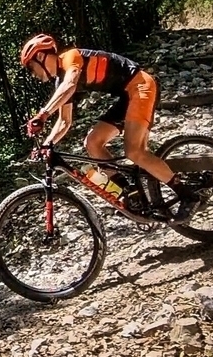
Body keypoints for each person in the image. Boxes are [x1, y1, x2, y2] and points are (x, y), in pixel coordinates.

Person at [19, 33, 199, 222]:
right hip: (127, 96)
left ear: (40, 56)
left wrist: (42, 115)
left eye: (31, 68)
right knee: (93, 142)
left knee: (134, 151)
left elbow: (70, 84)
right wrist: (46, 145)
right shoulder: (61, 82)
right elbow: (65, 121)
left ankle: (187, 194)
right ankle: (130, 193)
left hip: (141, 86)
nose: (33, 74)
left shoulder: (71, 58)